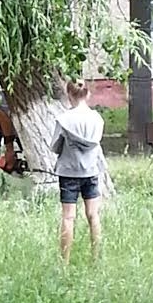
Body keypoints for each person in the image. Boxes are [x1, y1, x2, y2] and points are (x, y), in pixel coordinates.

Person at [50, 79, 105, 264]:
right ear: (87, 94)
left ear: (69, 95)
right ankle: (96, 258)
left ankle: (64, 262)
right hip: (91, 171)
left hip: (69, 172)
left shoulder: (63, 119)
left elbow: (55, 146)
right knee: (93, 215)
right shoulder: (97, 119)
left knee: (68, 217)